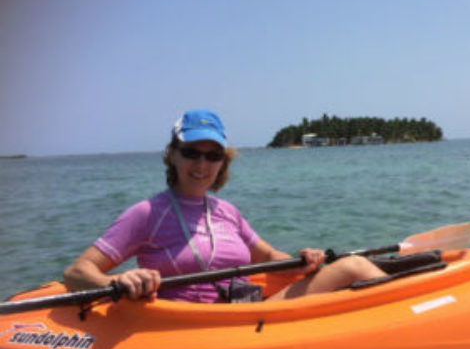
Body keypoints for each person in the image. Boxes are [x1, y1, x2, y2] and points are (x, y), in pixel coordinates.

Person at [64, 109, 385, 302]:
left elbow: (271, 258)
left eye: (213, 155)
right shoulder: (147, 213)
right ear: (173, 154)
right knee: (354, 267)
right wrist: (115, 281)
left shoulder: (227, 212)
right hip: (191, 324)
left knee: (352, 266)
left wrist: (303, 260)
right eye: (192, 152)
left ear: (223, 162)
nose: (202, 164)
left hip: (248, 312)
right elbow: (77, 273)